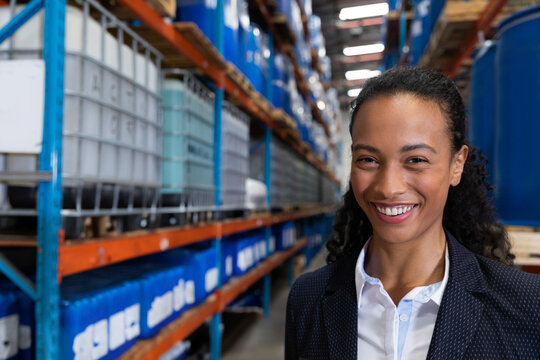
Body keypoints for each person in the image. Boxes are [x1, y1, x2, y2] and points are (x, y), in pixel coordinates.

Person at [285, 66, 540, 360]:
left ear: (456, 164)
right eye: (368, 159)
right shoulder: (308, 299)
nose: (389, 187)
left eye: (416, 160)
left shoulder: (527, 307)